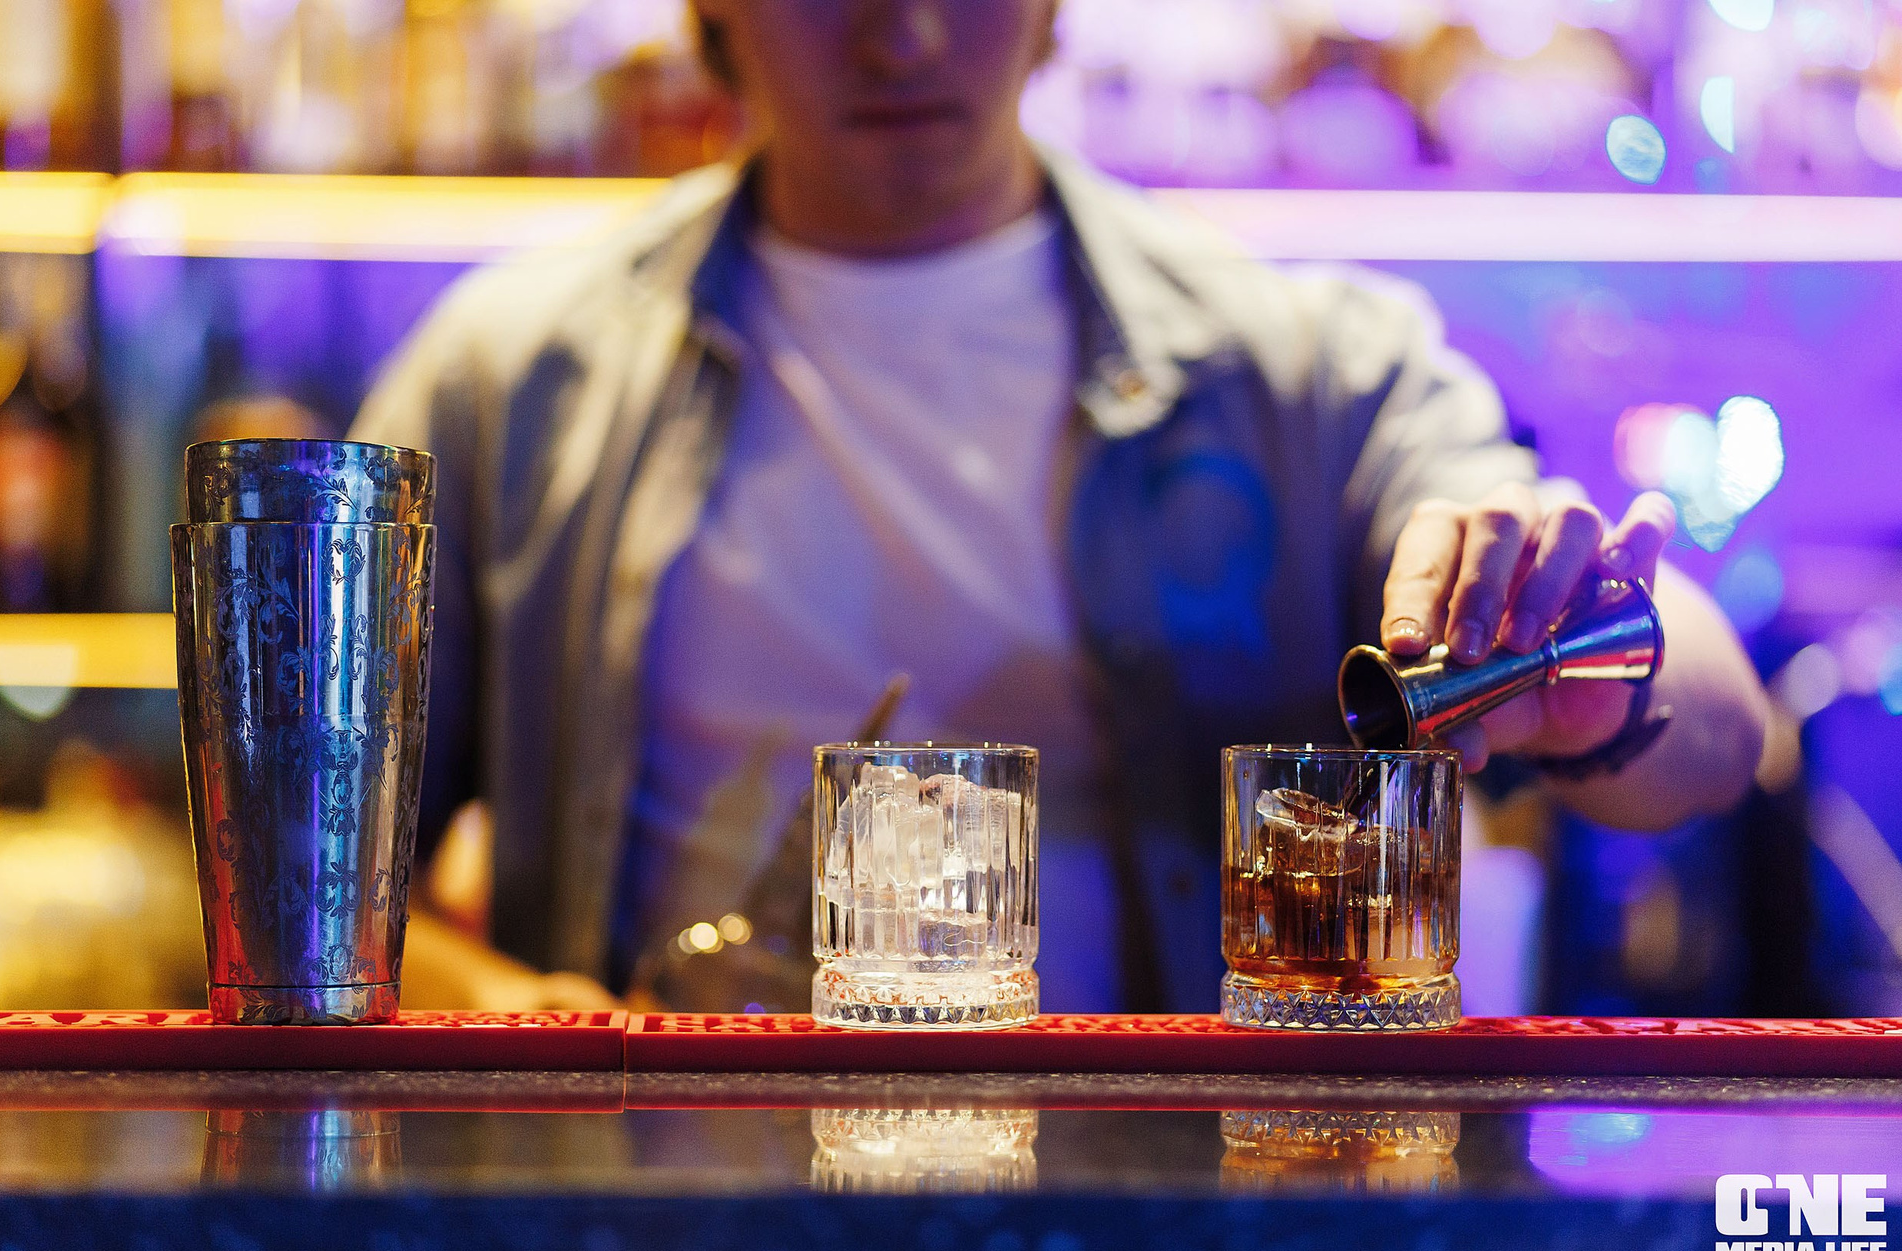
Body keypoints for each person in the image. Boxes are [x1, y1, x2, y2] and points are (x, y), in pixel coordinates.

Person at [355, 0, 1769, 1013]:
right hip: (653, 1222)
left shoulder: (1300, 365)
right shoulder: (509, 379)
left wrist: (1588, 672)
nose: (904, 35)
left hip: (1173, 1219)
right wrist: (508, 1016)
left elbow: (1716, 733)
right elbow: (286, 874)